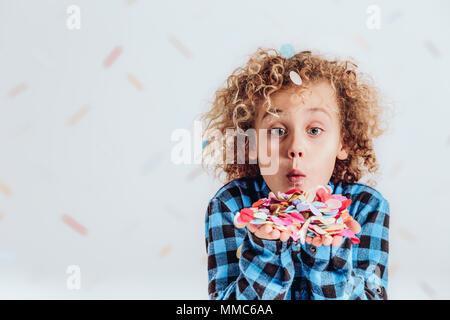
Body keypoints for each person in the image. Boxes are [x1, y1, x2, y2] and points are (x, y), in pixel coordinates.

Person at [201, 48, 390, 300]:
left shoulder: (367, 208)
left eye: (314, 130)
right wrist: (264, 250)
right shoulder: (230, 207)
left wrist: (329, 257)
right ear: (252, 145)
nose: (295, 148)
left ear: (343, 142)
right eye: (278, 131)